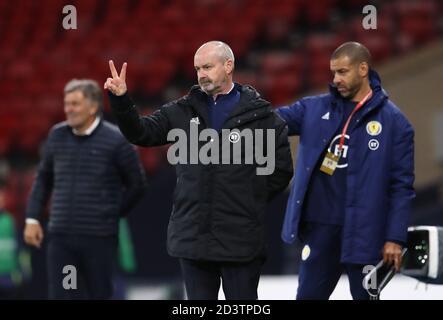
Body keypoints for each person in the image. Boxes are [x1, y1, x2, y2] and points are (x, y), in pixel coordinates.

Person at [104, 41, 293, 300]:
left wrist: (247, 199)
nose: (201, 74)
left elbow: (280, 171)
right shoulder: (182, 110)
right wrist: (122, 101)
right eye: (197, 69)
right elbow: (141, 133)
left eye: (207, 67)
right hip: (193, 237)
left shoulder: (263, 117)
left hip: (240, 238)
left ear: (229, 66)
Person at [276, 42, 415, 300]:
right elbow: (272, 121)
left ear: (363, 69)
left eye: (342, 72)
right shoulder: (314, 109)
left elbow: (402, 188)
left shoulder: (396, 124)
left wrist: (395, 238)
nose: (335, 79)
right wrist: (238, 110)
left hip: (365, 233)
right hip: (320, 231)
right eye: (333, 72)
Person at [24, 79, 146, 299]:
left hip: (99, 239)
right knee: (66, 294)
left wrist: (113, 212)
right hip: (63, 239)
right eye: (66, 103)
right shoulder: (57, 135)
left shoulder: (116, 141)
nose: (68, 109)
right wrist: (32, 218)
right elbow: (43, 179)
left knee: (98, 295)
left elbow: (137, 184)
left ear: (93, 106)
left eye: (75, 104)